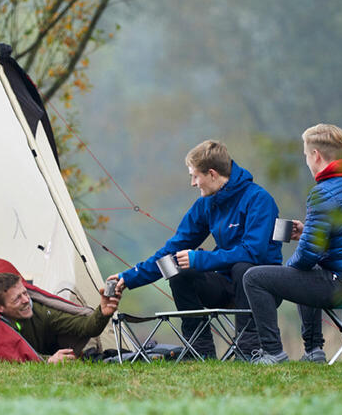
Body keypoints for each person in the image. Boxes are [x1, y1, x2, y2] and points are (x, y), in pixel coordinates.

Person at [110, 140, 280, 359]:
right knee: (177, 268)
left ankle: (249, 349)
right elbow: (172, 250)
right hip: (225, 284)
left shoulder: (259, 199)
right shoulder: (206, 203)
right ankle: (199, 351)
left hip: (260, 287)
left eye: (195, 176)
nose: (192, 183)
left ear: (212, 174)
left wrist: (200, 259)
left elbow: (253, 252)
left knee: (243, 267)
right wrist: (130, 276)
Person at [243, 123, 342, 364]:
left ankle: (273, 353)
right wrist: (308, 232)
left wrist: (289, 269)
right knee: (307, 272)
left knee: (254, 277)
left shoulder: (323, 192)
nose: (307, 162)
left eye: (305, 156)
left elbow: (307, 258)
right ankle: (313, 352)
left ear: (315, 155)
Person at [0, 272, 121, 362]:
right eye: (17, 299)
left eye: (25, 293)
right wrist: (48, 361)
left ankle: (93, 356)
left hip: (54, 345)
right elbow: (7, 355)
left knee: (66, 289)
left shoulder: (40, 311)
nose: (26, 300)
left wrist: (102, 313)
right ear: (0, 308)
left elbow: (86, 327)